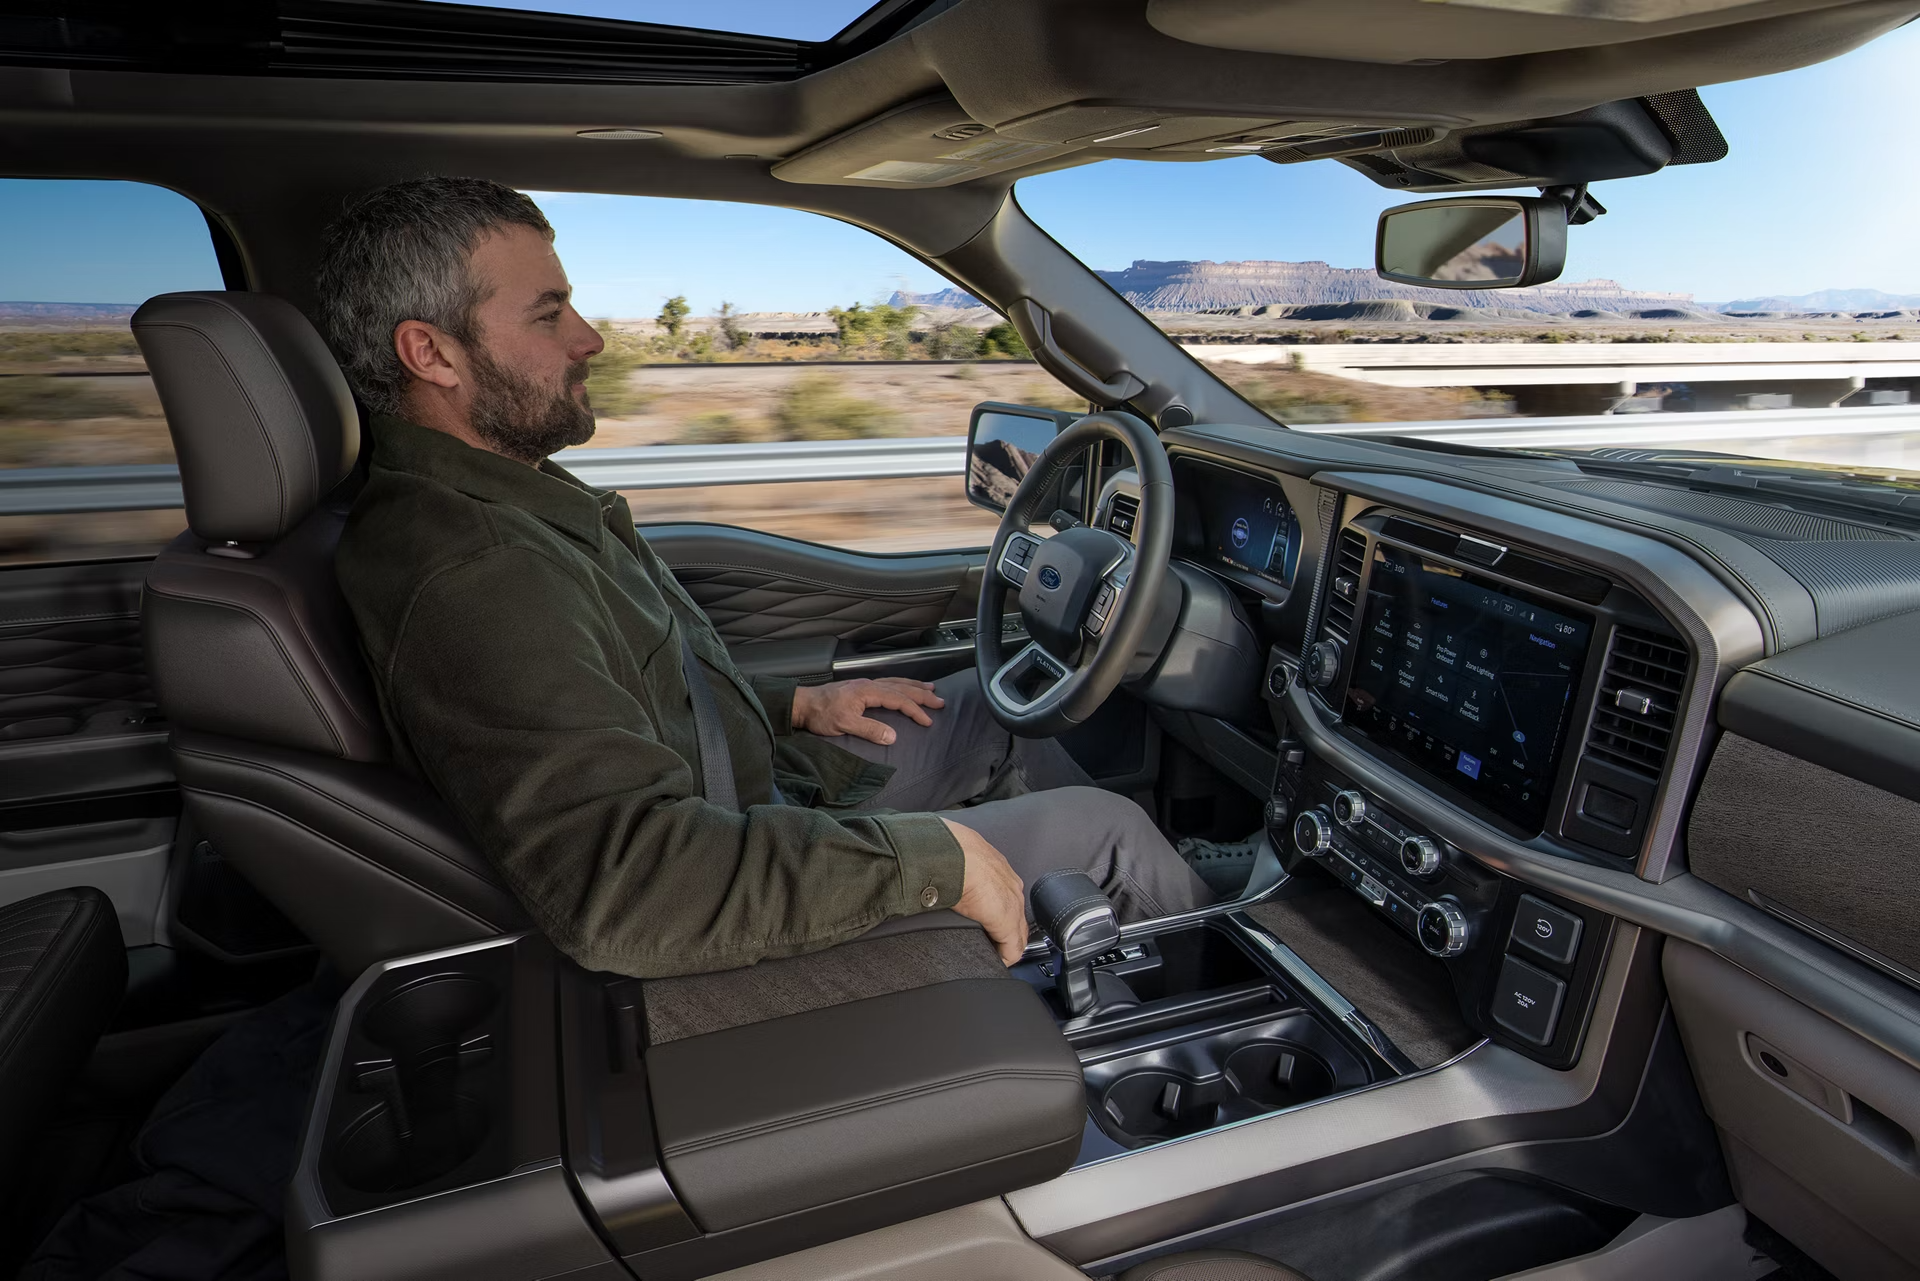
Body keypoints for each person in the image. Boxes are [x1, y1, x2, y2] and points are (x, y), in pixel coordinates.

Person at [320, 176, 1214, 979]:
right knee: (1114, 834)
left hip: (758, 796)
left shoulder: (500, 495)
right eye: (549, 316)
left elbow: (621, 688)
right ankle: (1217, 1019)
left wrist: (791, 705)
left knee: (987, 706)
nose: (590, 339)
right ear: (430, 355)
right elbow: (630, 887)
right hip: (729, 876)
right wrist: (931, 863)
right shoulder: (476, 573)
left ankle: (1052, 946)